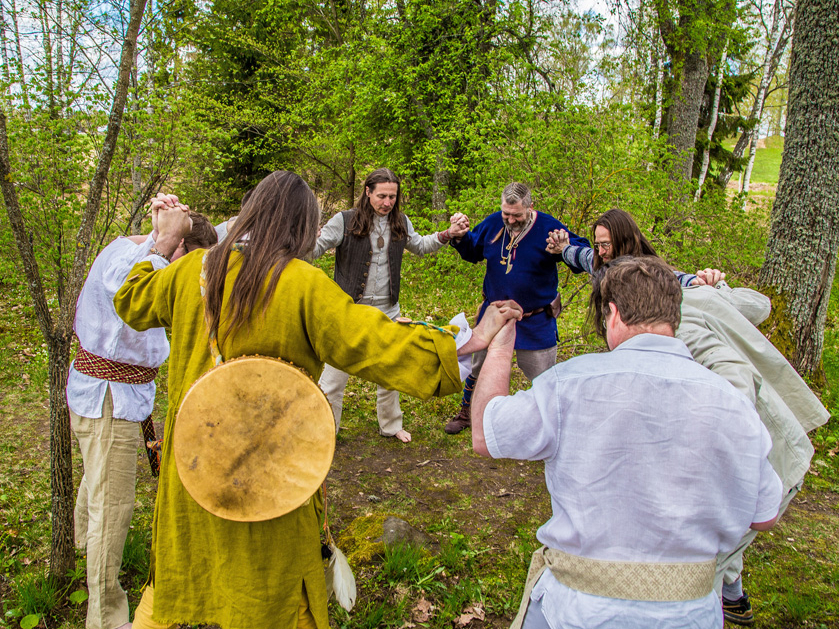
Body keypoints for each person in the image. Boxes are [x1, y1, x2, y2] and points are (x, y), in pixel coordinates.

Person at [113, 170, 521, 629]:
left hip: (197, 466)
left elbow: (130, 299)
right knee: (275, 594)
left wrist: (163, 242)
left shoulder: (192, 270)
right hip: (273, 475)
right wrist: (461, 343)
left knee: (187, 576)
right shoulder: (300, 283)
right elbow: (374, 341)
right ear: (302, 227)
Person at [470, 256, 783, 629]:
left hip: (577, 610)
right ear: (675, 319)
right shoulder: (733, 403)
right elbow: (764, 516)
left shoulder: (568, 383)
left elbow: (487, 433)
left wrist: (502, 347)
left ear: (613, 314)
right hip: (690, 613)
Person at [68, 196, 216, 629]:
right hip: (108, 399)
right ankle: (107, 618)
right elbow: (124, 289)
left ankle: (84, 545)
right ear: (175, 249)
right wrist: (166, 236)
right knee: (112, 508)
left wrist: (166, 236)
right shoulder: (132, 260)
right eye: (187, 265)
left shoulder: (141, 252)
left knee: (97, 487)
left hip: (115, 396)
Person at [678, 280, 829, 625]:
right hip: (762, 462)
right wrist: (722, 286)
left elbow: (734, 377)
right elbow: (760, 306)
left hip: (767, 464)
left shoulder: (679, 325)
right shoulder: (692, 295)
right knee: (722, 543)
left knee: (699, 568)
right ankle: (735, 601)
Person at [312, 167, 469, 442]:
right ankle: (325, 429)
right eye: (381, 196)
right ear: (367, 192)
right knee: (334, 377)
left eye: (392, 197)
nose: (387, 202)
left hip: (389, 310)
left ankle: (391, 425)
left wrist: (448, 233)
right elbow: (316, 248)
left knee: (390, 370)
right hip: (350, 310)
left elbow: (420, 245)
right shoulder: (344, 221)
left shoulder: (400, 222)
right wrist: (298, 239)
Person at [445, 182, 589, 434]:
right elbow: (472, 251)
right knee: (477, 367)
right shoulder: (493, 223)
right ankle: (467, 412)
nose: (510, 221)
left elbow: (578, 258)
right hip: (495, 315)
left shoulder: (548, 227)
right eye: (506, 214)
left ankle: (549, 425)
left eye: (517, 215)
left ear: (530, 207)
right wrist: (458, 237)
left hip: (534, 319)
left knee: (543, 376)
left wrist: (565, 248)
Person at [548, 207, 705, 285]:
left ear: (624, 240)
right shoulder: (602, 263)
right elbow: (581, 255)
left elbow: (675, 280)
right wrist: (563, 248)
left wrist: (698, 282)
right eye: (597, 245)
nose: (601, 252)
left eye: (606, 244)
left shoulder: (646, 272)